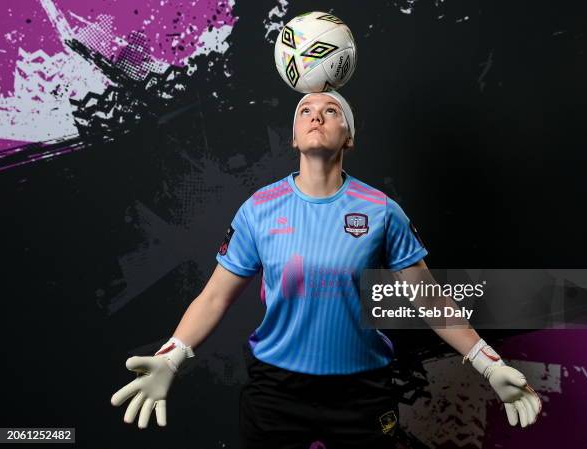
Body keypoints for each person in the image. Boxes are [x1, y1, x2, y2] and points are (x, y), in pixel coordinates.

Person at [111, 91, 542, 448]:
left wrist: (488, 362)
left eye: (331, 110)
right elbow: (214, 297)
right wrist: (172, 356)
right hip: (276, 391)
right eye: (305, 111)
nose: (316, 115)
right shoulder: (259, 209)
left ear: (348, 137)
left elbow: (428, 299)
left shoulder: (381, 210)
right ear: (294, 137)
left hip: (363, 393)